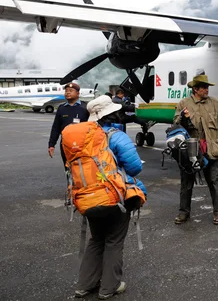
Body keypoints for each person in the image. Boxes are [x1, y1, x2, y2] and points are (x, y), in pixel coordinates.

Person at [75, 95, 146, 299]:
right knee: (114, 241)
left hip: (88, 196)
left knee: (97, 239)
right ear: (110, 113)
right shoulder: (116, 135)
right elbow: (135, 167)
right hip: (114, 197)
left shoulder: (83, 137)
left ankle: (84, 285)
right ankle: (109, 287)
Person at [173, 74, 218, 225]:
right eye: (204, 87)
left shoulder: (215, 103)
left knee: (214, 181)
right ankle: (183, 212)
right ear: (195, 89)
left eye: (207, 87)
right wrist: (183, 117)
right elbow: (176, 124)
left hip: (210, 149)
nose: (207, 90)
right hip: (191, 151)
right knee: (186, 183)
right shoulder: (183, 104)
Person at [48, 83, 90, 166]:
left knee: (83, 168)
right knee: (68, 167)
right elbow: (56, 127)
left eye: (71, 91)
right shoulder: (62, 108)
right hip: (66, 144)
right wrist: (51, 145)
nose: (67, 93)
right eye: (66, 91)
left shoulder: (86, 107)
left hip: (82, 144)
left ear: (78, 93)